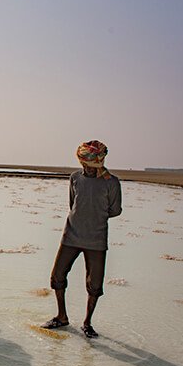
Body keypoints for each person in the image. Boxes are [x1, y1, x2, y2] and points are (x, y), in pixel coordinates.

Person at [42, 140, 122, 338]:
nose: (88, 168)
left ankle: (87, 323)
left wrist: (95, 216)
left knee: (94, 284)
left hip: (96, 239)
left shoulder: (111, 182)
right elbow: (73, 204)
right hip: (71, 235)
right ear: (82, 163)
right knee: (57, 276)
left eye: (92, 165)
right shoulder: (75, 178)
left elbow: (115, 210)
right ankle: (62, 317)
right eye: (86, 165)